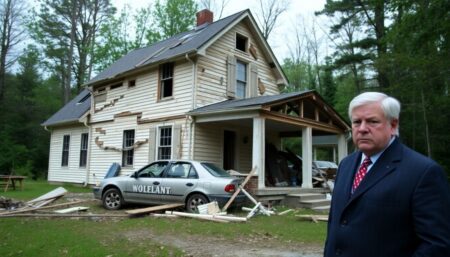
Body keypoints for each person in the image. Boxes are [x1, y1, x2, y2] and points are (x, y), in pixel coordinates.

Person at [324, 92, 450, 257]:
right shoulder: (346, 165)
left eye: (372, 121)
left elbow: (437, 245)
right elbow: (336, 223)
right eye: (356, 122)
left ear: (393, 125)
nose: (362, 129)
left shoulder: (423, 172)